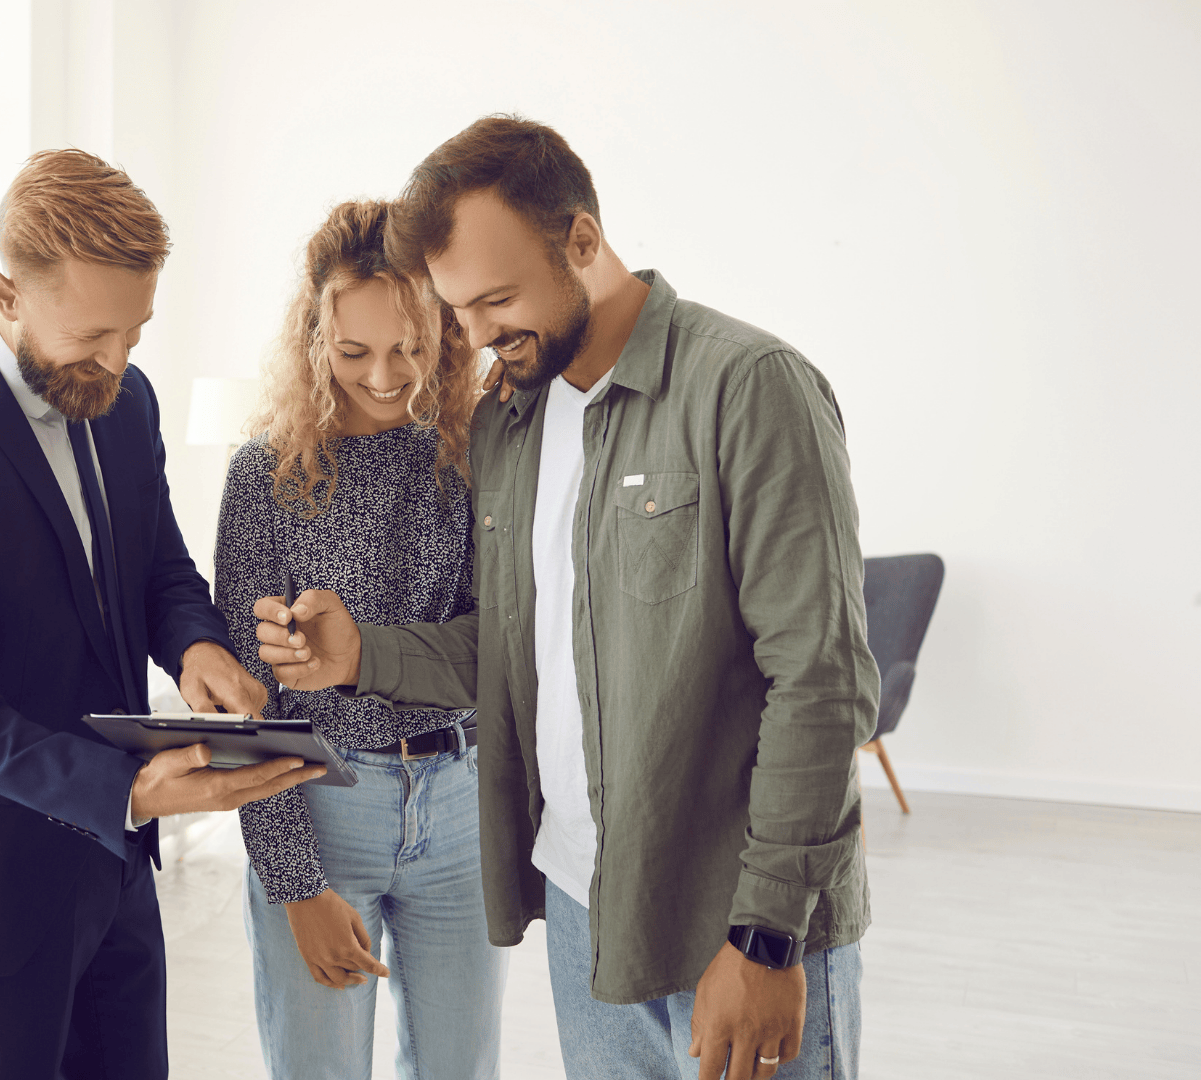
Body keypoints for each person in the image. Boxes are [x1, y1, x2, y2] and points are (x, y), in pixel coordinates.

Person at [255, 115, 879, 1080]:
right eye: (456, 309)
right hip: (586, 910)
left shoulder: (750, 387)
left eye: (496, 300)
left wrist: (765, 939)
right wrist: (360, 655)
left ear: (582, 242)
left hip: (735, 917)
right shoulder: (513, 421)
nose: (475, 339)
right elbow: (515, 652)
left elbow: (822, 684)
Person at [0, 148, 324, 1080]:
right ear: (6, 292)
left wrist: (194, 644)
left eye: (136, 332)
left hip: (115, 871)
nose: (116, 361)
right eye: (93, 335)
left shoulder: (125, 401)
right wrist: (131, 790)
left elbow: (157, 567)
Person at [213, 200, 502, 1079]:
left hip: (457, 802)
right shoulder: (264, 475)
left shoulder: (468, 450)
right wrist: (296, 885)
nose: (386, 376)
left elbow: (497, 641)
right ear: (313, 339)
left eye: (410, 347)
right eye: (353, 352)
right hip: (320, 802)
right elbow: (244, 711)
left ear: (445, 334)